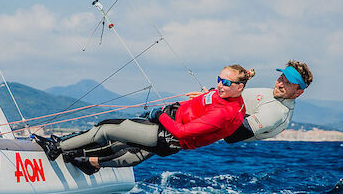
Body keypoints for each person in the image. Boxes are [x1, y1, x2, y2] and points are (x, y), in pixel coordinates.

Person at [33, 64, 254, 175]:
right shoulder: (225, 96)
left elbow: (182, 132)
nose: (219, 86)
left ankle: (57, 147)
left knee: (108, 129)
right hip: (168, 133)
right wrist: (203, 96)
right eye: (219, 80)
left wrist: (158, 114)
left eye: (226, 83)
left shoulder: (225, 112)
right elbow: (213, 99)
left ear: (240, 87)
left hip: (168, 134)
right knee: (125, 147)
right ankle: (84, 160)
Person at [224, 60, 313, 143]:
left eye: (288, 83)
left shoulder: (278, 113)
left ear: (298, 92)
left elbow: (231, 136)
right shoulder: (271, 94)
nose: (280, 84)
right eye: (281, 78)